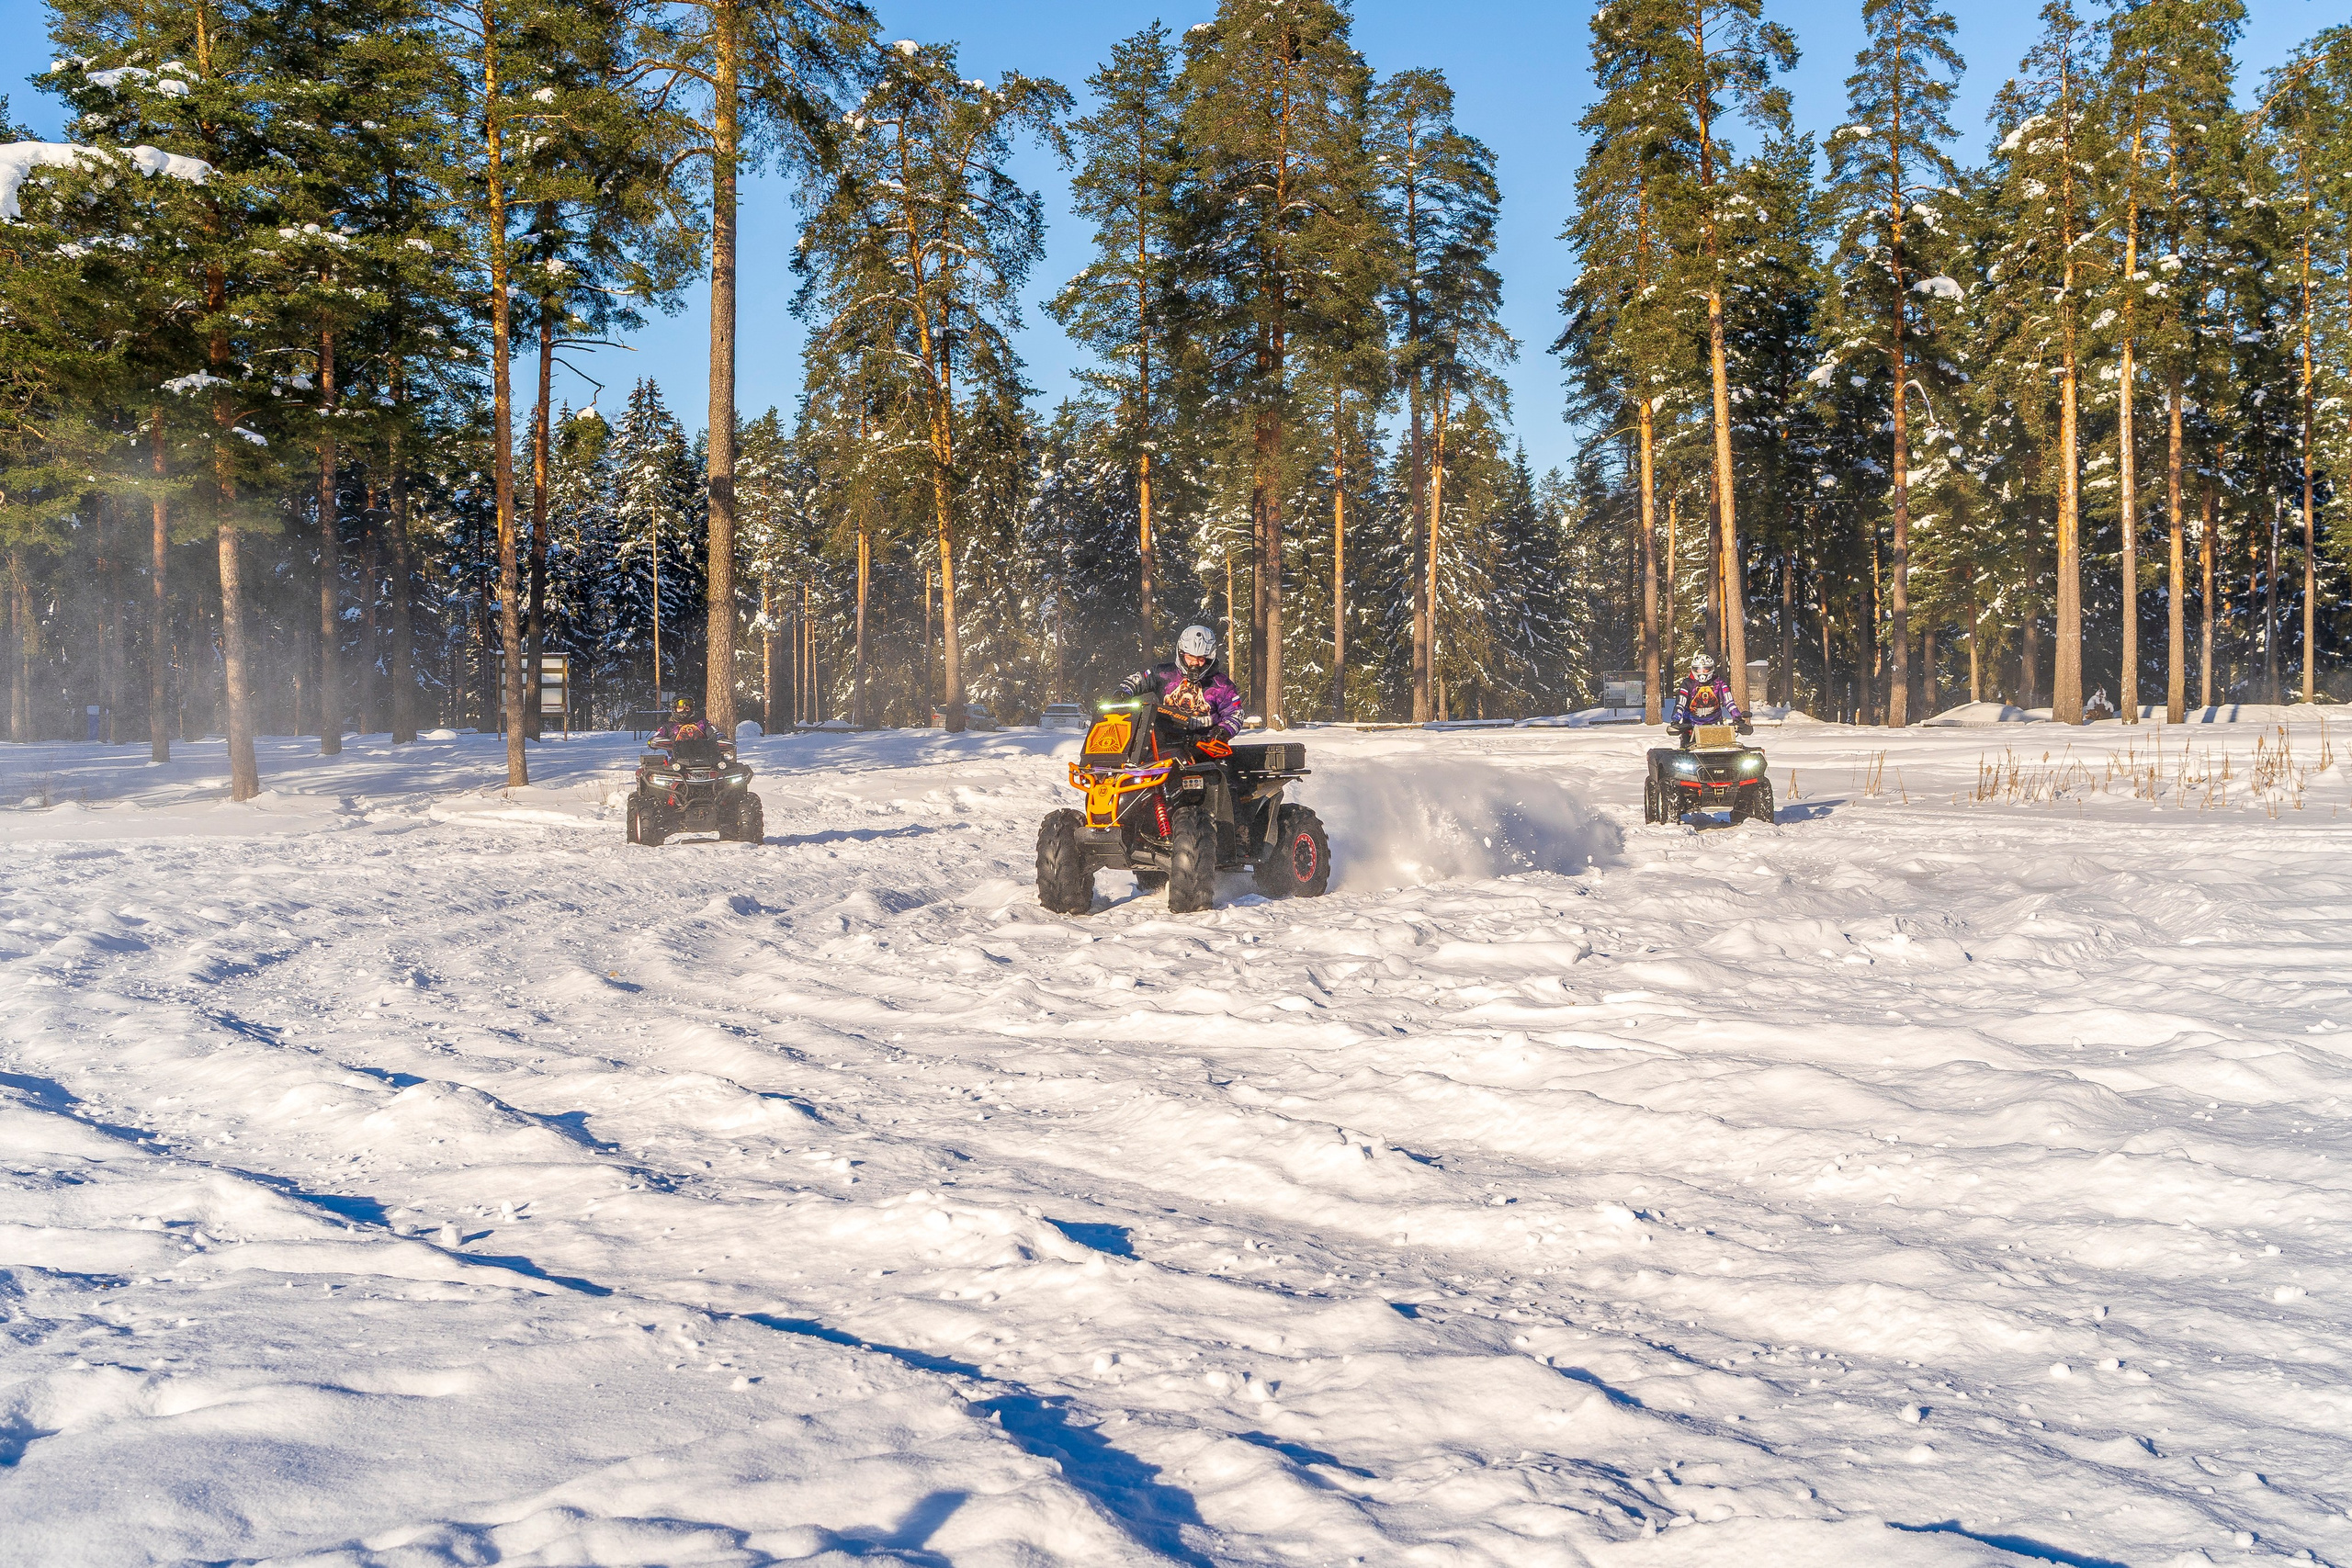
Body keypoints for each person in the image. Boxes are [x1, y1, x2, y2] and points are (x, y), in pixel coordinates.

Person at [1117, 625, 1243, 741]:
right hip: (1163, 742)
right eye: (1190, 657)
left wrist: (1224, 730)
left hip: (1204, 746)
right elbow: (1137, 680)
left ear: (1209, 658)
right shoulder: (1163, 673)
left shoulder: (1223, 685)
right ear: (1181, 654)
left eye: (1200, 659)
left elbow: (1235, 713)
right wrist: (1123, 693)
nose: (1194, 663)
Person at [1668, 652, 1750, 738]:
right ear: (1693, 670)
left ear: (1711, 669)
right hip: (1691, 728)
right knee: (1685, 748)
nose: (1702, 672)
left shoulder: (1719, 683)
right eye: (1699, 669)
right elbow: (1681, 703)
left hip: (1716, 726)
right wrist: (1675, 720)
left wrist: (1738, 718)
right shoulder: (1688, 683)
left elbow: (1729, 702)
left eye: (1705, 669)